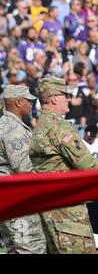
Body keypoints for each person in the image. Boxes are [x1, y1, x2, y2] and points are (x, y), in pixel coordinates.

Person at [29, 77, 98, 254]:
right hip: (68, 214)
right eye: (65, 95)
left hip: (51, 210)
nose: (69, 99)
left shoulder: (40, 125)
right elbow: (89, 167)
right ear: (54, 98)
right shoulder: (59, 127)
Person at [0, 85, 47, 254]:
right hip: (18, 200)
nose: (32, 105)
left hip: (5, 198)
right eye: (29, 101)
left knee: (14, 250)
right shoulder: (13, 128)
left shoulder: (1, 125)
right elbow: (25, 168)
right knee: (32, 249)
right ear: (18, 102)